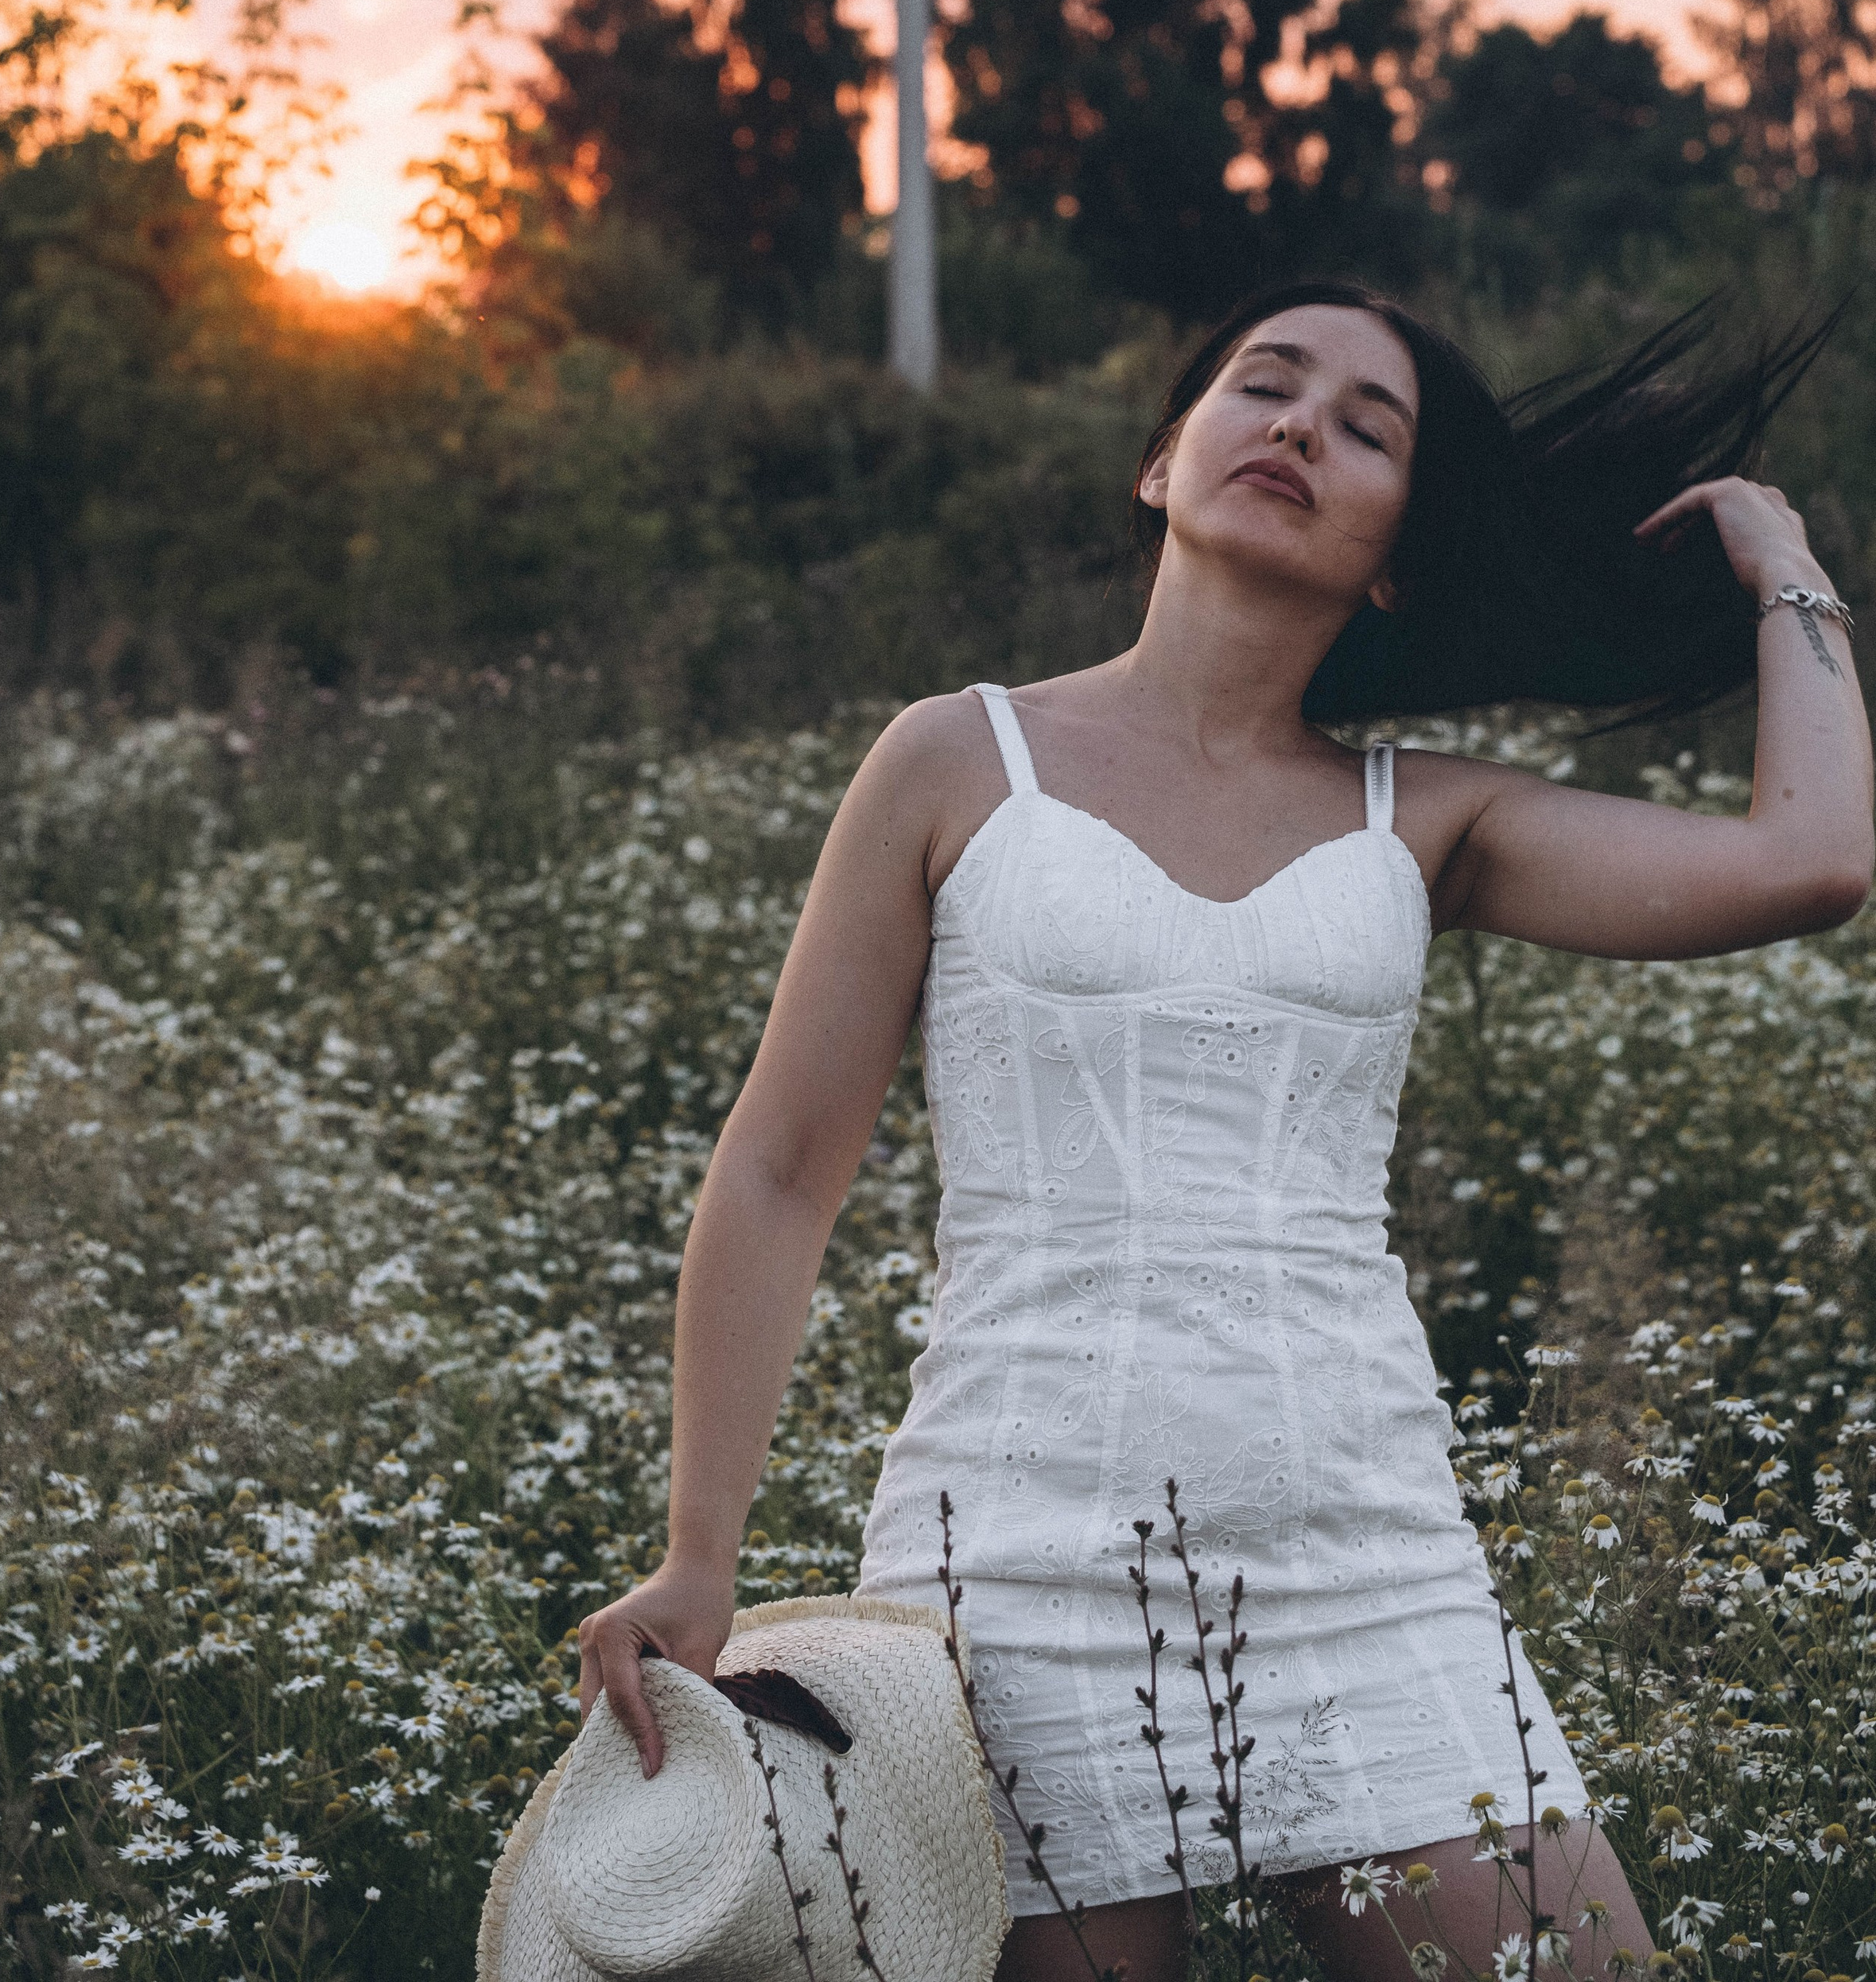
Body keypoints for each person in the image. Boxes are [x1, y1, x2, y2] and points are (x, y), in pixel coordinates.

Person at [578, 283, 1873, 1982]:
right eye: (1263, 388)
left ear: (1395, 552)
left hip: (1367, 1556)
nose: (1297, 428)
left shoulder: (1429, 816)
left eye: (1362, 426)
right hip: (1017, 1578)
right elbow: (776, 1170)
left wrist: (1782, 566)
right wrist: (697, 1556)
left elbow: (1812, 860)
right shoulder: (955, 760)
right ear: (1157, 461)